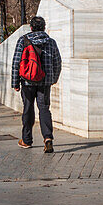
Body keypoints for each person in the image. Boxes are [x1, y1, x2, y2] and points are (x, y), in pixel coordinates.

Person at [11, 16, 63, 153]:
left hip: (27, 81)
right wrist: (53, 78)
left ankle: (26, 140)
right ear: (44, 27)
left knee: (28, 108)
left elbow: (17, 62)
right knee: (44, 109)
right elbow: (57, 62)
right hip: (45, 82)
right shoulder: (51, 42)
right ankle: (47, 138)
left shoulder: (23, 40)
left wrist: (15, 82)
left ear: (31, 27)